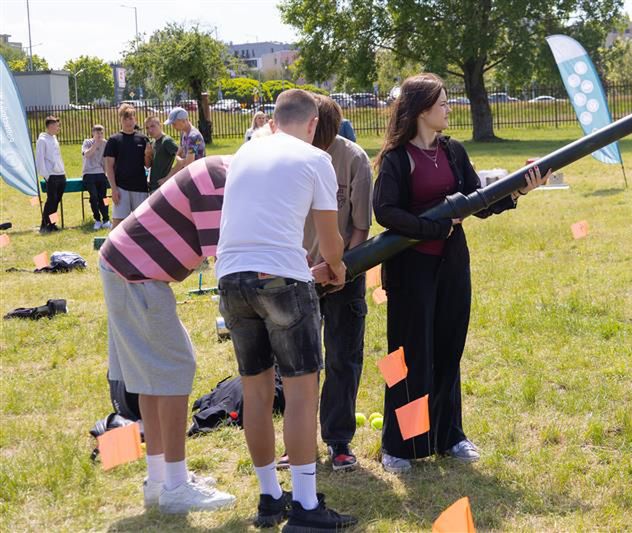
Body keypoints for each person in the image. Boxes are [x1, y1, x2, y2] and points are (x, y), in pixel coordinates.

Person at [372, 73, 549, 473]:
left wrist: (520, 190)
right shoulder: (397, 158)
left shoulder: (453, 151)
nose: (449, 109)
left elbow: (478, 202)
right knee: (407, 358)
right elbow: (385, 212)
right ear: (422, 110)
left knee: (448, 350)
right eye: (443, 103)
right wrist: (434, 227)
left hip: (452, 266)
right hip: (410, 271)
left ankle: (448, 436)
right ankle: (401, 445)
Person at [216, 89, 357, 531]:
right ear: (313, 124)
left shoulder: (244, 152)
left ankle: (269, 497)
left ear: (274, 121)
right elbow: (330, 242)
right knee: (301, 393)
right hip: (281, 279)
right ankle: (307, 506)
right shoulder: (316, 159)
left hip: (231, 278)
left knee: (256, 392)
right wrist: (337, 268)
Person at [99, 156, 236, 513]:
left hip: (127, 267)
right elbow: (224, 262)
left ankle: (159, 479)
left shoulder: (220, 170)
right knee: (175, 369)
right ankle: (175, 486)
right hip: (135, 273)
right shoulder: (218, 181)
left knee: (152, 377)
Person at [302, 95, 372, 471]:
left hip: (345, 275)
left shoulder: (354, 159)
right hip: (299, 275)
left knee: (343, 357)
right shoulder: (292, 158)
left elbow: (360, 226)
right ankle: (298, 442)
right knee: (299, 363)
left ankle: (338, 439)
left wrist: (343, 267)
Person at [104, 103, 153, 229]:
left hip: (140, 187)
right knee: (118, 224)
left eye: (131, 118)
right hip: (121, 188)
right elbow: (109, 167)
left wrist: (148, 155)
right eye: (125, 119)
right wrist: (114, 189)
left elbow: (148, 165)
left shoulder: (143, 139)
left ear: (135, 119)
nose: (128, 122)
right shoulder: (113, 140)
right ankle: (112, 243)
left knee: (142, 223)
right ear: (120, 120)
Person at [35, 116, 66, 233]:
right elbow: (40, 159)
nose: (58, 128)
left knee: (56, 201)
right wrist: (46, 175)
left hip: (60, 174)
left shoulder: (54, 138)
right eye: (56, 126)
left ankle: (52, 224)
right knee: (51, 201)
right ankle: (44, 225)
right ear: (50, 126)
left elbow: (58, 156)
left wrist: (63, 171)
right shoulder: (42, 140)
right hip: (51, 175)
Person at [81, 125, 111, 230]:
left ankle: (106, 219)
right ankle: (97, 219)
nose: (100, 135)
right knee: (94, 197)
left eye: (101, 133)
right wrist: (96, 144)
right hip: (89, 173)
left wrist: (105, 173)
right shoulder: (87, 142)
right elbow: (87, 154)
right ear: (93, 133)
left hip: (101, 173)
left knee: (104, 198)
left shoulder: (105, 143)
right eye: (97, 133)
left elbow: (106, 159)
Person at [165, 107, 205, 176]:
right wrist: (181, 160)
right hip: (188, 172)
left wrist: (181, 160)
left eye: (174, 124)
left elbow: (189, 163)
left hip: (196, 174)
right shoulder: (183, 133)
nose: (173, 127)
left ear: (183, 121)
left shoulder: (193, 137)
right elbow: (178, 155)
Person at [144, 116, 179, 191]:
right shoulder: (152, 143)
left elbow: (182, 160)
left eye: (152, 126)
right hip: (153, 186)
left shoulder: (166, 141)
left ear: (160, 125)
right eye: (147, 128)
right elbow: (148, 166)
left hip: (164, 187)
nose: (150, 130)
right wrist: (147, 155)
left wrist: (167, 178)